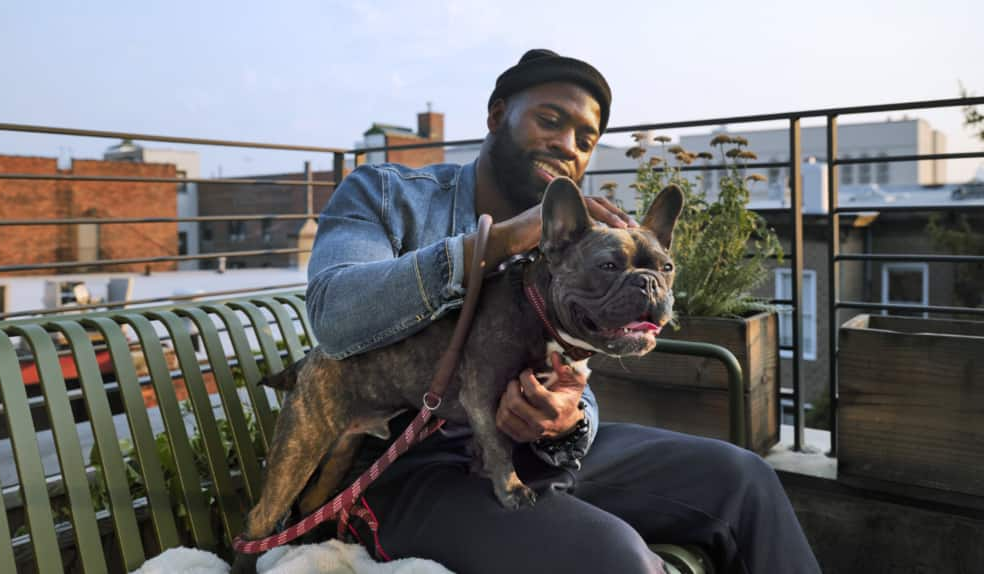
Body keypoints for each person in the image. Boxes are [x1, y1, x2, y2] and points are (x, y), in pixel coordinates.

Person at [306, 49, 821, 574]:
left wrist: (568, 419)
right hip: (409, 467)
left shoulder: (579, 238)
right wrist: (500, 241)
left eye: (586, 139)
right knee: (615, 559)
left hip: (537, 453)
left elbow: (575, 368)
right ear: (496, 114)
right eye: (549, 120)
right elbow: (333, 315)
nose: (567, 146)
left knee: (743, 479)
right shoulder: (387, 194)